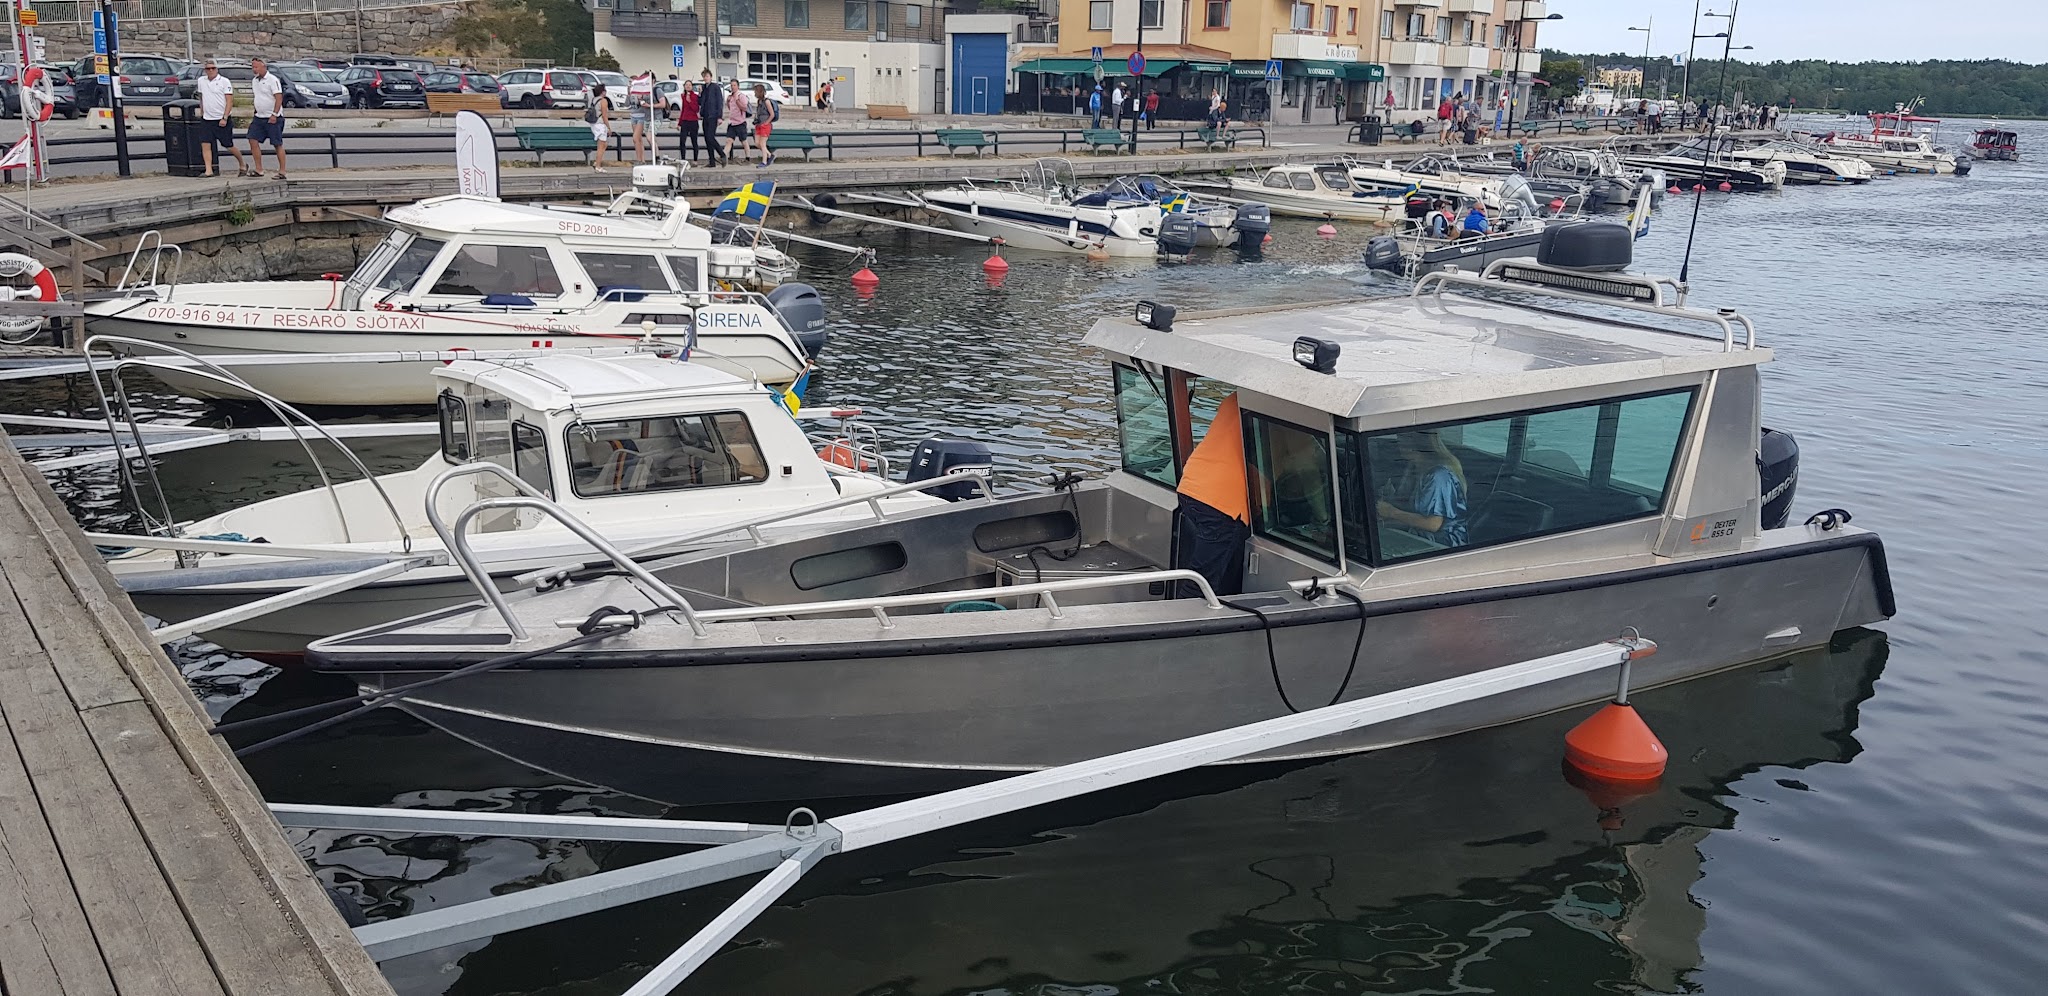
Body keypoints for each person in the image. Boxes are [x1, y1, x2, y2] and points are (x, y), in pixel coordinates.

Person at [1172, 392, 1251, 598]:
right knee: (1202, 584)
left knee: (1214, 572)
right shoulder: (1281, 408)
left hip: (1191, 487)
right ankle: (1182, 617)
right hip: (1221, 504)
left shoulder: (1236, 397)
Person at [1376, 430, 1467, 547]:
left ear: (1415, 442)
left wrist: (1391, 512)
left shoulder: (1439, 476)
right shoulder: (1414, 468)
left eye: (1402, 437)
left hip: (1442, 546)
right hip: (1416, 538)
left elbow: (1433, 524)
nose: (1398, 442)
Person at [193, 61, 247, 178]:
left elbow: (229, 101)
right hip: (207, 118)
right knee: (205, 143)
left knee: (228, 145)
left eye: (213, 68)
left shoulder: (224, 81)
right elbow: (201, 97)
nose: (210, 71)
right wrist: (202, 111)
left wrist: (225, 117)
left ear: (217, 69)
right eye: (208, 69)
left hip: (221, 118)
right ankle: (208, 170)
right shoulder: (201, 81)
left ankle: (242, 163)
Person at [245, 56, 287, 179]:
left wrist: (274, 114)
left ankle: (282, 171)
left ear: (264, 66)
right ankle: (259, 169)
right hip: (259, 116)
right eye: (253, 67)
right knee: (252, 139)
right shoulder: (254, 81)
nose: (254, 69)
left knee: (277, 143)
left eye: (256, 67)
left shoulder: (272, 80)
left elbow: (278, 98)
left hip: (273, 116)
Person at [696, 69, 725, 166]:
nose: (705, 78)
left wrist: (719, 116)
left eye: (707, 76)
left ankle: (722, 154)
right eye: (704, 76)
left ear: (711, 77)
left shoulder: (715, 87)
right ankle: (711, 161)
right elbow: (700, 102)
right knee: (707, 139)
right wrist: (700, 93)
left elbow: (720, 102)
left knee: (710, 136)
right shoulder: (704, 88)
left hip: (713, 116)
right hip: (705, 116)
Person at [627, 70, 655, 163]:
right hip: (633, 115)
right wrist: (628, 94)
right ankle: (641, 159)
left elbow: (647, 101)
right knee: (638, 140)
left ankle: (639, 160)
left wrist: (641, 98)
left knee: (635, 137)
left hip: (642, 115)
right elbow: (627, 104)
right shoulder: (632, 92)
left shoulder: (644, 91)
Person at [670, 79, 701, 161]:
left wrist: (689, 101)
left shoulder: (695, 96)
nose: (688, 86)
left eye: (689, 85)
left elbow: (696, 109)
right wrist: (679, 123)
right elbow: (683, 109)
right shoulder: (683, 95)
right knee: (682, 141)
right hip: (685, 121)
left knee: (694, 141)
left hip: (693, 121)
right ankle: (683, 159)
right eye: (686, 85)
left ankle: (695, 160)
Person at [722, 79, 750, 162]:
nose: (733, 87)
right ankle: (723, 157)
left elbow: (744, 108)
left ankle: (747, 158)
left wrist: (737, 100)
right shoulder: (731, 96)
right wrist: (728, 102)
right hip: (732, 122)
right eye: (731, 85)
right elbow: (731, 108)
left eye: (734, 85)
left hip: (740, 122)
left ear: (738, 86)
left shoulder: (741, 96)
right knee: (729, 140)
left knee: (743, 140)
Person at [587, 83, 612, 171]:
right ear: (602, 92)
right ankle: (598, 166)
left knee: (604, 144)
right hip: (600, 124)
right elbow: (604, 116)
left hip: (594, 123)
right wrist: (608, 127)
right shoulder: (603, 101)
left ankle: (597, 162)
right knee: (601, 146)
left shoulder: (593, 99)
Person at [750, 83, 775, 167]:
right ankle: (769, 155)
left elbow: (772, 114)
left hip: (765, 125)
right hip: (759, 124)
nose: (755, 93)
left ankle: (764, 161)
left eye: (756, 92)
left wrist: (766, 122)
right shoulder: (759, 101)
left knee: (762, 143)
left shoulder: (767, 101)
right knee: (757, 143)